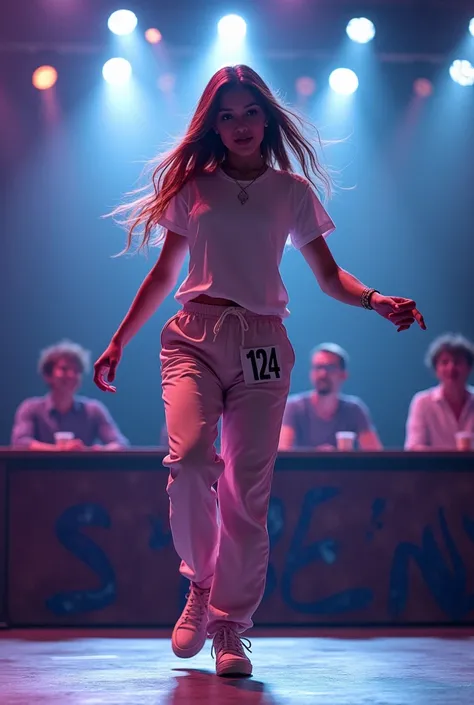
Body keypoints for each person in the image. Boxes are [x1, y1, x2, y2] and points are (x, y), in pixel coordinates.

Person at [93, 64, 425, 677]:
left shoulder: (291, 192)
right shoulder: (195, 187)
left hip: (264, 343)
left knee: (248, 491)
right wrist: (117, 341)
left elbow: (328, 276)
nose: (240, 125)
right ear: (212, 125)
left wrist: (376, 299)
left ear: (267, 118)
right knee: (191, 459)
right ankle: (200, 582)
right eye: (227, 115)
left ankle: (230, 627)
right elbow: (166, 275)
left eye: (250, 113)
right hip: (193, 336)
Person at [11, 340, 128, 451]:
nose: (71, 375)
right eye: (64, 369)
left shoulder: (94, 410)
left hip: (83, 471)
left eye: (77, 370)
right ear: (48, 375)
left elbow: (120, 443)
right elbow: (20, 443)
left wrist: (97, 450)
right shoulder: (31, 408)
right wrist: (60, 450)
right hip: (40, 471)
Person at [279, 342, 382, 450]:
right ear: (311, 373)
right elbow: (282, 452)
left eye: (330, 367)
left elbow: (375, 455)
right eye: (318, 367)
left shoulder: (354, 409)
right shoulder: (294, 407)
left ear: (343, 374)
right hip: (303, 467)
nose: (323, 373)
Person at [405, 333, 474, 450]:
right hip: (433, 468)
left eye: (457, 362)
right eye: (445, 362)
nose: (451, 368)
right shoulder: (423, 402)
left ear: (469, 368)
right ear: (436, 369)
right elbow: (414, 447)